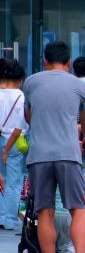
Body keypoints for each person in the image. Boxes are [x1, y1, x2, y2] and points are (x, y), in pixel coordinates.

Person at [24, 41, 85, 253]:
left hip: (39, 155)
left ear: (45, 62)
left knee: (44, 211)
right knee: (77, 208)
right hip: (68, 154)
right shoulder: (79, 86)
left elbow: (29, 114)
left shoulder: (31, 82)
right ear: (69, 63)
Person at [0, 60, 27, 230]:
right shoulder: (21, 96)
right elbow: (19, 127)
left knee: (1, 179)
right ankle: (9, 219)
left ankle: (1, 215)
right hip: (14, 142)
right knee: (14, 182)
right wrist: (6, 149)